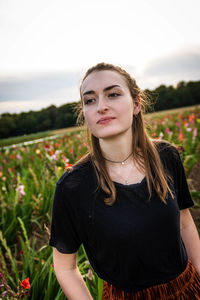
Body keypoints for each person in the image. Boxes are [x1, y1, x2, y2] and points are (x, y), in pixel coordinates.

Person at [49, 62, 200, 299]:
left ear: (137, 104)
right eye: (90, 100)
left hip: (186, 289)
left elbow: (185, 223)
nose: (101, 106)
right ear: (84, 113)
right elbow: (66, 267)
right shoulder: (73, 186)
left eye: (113, 94)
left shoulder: (166, 156)